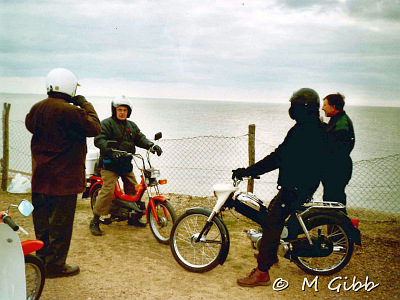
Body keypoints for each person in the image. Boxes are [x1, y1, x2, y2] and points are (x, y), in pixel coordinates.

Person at [232, 88, 324, 287]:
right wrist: (251, 170)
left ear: (303, 108)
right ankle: (270, 253)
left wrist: (248, 171)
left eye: (294, 106)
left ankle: (262, 273)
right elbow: (283, 156)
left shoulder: (304, 130)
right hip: (299, 185)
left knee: (273, 223)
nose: (291, 110)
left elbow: (277, 157)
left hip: (297, 187)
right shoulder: (312, 126)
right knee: (269, 216)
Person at [25, 68, 101, 278]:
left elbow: (30, 125)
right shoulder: (71, 111)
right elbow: (95, 127)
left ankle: (42, 260)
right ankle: (55, 266)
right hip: (64, 181)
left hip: (41, 178)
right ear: (70, 87)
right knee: (61, 226)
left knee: (42, 222)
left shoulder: (36, 109)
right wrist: (84, 103)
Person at [89, 95, 162, 236]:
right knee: (108, 189)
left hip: (125, 164)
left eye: (125, 110)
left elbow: (140, 138)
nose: (122, 112)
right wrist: (109, 150)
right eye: (119, 109)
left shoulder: (131, 126)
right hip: (109, 164)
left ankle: (133, 217)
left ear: (129, 112)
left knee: (135, 189)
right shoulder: (107, 123)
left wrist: (152, 146)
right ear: (114, 110)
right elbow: (99, 139)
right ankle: (95, 220)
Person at [321, 93, 355, 208]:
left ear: (333, 107)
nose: (322, 108)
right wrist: (322, 125)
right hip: (336, 168)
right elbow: (332, 135)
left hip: (337, 170)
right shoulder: (337, 119)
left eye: (325, 105)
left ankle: (340, 225)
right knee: (331, 201)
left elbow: (338, 147)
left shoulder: (342, 124)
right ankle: (335, 224)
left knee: (334, 202)